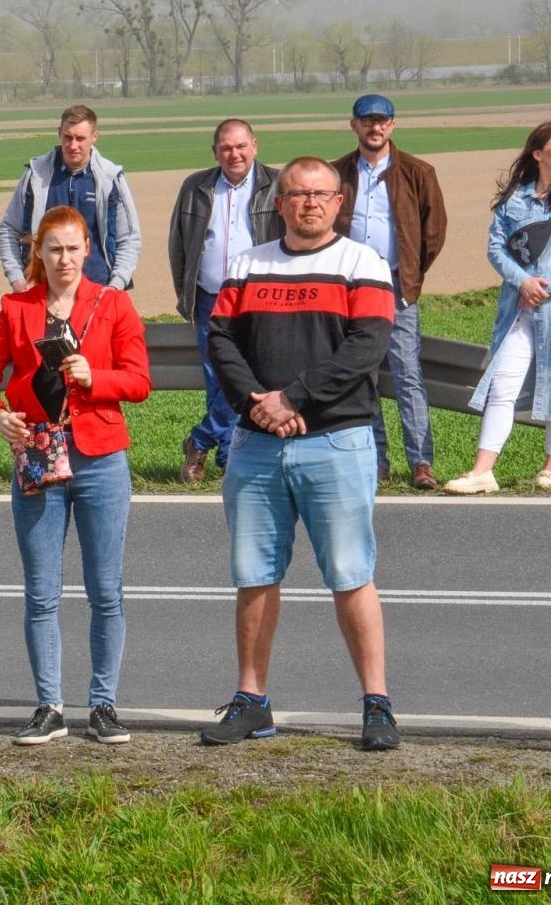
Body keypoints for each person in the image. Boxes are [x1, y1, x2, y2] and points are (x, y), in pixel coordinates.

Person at [201, 157, 402, 752]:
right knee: (255, 575)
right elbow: (220, 341)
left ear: (339, 203)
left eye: (320, 194)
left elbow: (366, 349)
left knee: (350, 574)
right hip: (256, 444)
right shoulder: (248, 265)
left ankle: (377, 705)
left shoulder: (362, 264)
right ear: (280, 203)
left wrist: (293, 398)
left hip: (335, 442)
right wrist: (257, 404)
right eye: (297, 194)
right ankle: (252, 702)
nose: (309, 203)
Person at [0, 206, 152, 745]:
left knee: (105, 591)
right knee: (41, 592)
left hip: (100, 459)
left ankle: (104, 705)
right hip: (39, 454)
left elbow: (140, 381)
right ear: (39, 254)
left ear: (88, 249)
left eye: (73, 248)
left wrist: (97, 378)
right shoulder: (16, 308)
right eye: (54, 249)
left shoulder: (113, 305)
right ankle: (49, 706)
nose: (64, 259)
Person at [443, 123, 551, 495]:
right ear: (538, 153)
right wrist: (522, 283)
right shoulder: (514, 199)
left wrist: (542, 287)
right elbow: (496, 248)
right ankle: (483, 472)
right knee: (503, 385)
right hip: (518, 308)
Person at [331, 94, 447, 490]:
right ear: (354, 125)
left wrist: (411, 273)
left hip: (397, 286)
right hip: (349, 286)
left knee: (406, 374)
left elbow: (433, 232)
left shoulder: (418, 172)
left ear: (392, 125)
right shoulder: (337, 173)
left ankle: (421, 462)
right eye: (367, 121)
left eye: (382, 121)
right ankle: (376, 461)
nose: (375, 127)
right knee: (361, 373)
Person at [167, 120, 283, 484]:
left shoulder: (277, 184)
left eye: (241, 146)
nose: (235, 154)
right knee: (217, 377)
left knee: (244, 376)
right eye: (226, 148)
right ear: (215, 152)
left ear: (255, 146)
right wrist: (186, 298)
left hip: (259, 298)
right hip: (209, 299)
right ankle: (228, 456)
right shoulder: (196, 187)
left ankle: (201, 440)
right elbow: (178, 245)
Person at [0, 104, 142, 293]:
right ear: (59, 133)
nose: (73, 146)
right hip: (41, 290)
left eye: (80, 138)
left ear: (94, 136)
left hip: (98, 290)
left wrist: (116, 285)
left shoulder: (110, 178)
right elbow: (8, 229)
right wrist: (17, 278)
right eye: (68, 137)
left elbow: (129, 238)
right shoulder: (36, 175)